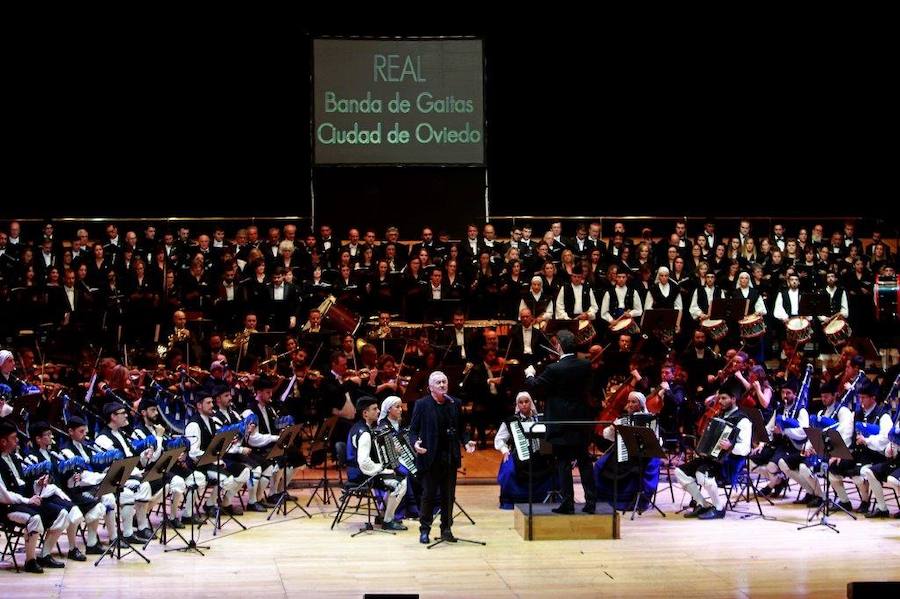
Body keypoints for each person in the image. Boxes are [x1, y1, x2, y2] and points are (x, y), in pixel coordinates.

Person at [524, 329, 598, 514]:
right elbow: (589, 389)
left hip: (560, 421)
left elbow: (536, 387)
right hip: (581, 420)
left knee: (563, 462)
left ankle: (568, 503)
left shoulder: (554, 368)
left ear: (559, 346)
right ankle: (591, 502)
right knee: (584, 460)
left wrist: (530, 374)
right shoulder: (586, 365)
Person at [408, 371, 476, 544]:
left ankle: (446, 529)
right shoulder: (422, 404)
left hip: (449, 457)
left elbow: (462, 429)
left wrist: (467, 442)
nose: (442, 385)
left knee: (448, 495)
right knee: (428, 495)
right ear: (431, 387)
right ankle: (424, 530)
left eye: (444, 382)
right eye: (438, 383)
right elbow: (413, 430)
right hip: (430, 456)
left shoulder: (455, 403)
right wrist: (415, 444)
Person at [675, 389, 751, 519]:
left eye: (724, 398)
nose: (720, 401)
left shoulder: (742, 420)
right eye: (719, 398)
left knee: (702, 473)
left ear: (733, 399)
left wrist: (730, 447)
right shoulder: (720, 416)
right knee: (680, 472)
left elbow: (745, 449)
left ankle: (719, 508)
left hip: (730, 461)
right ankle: (702, 504)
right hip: (713, 459)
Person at [346, 396, 409, 531]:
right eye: (374, 409)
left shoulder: (357, 427)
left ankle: (383, 514)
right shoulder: (365, 434)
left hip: (355, 471)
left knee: (397, 477)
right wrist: (381, 469)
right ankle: (387, 520)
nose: (379, 411)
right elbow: (364, 462)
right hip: (361, 475)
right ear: (365, 413)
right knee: (401, 483)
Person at [593, 391, 661, 510]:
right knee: (599, 465)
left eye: (633, 402)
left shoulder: (650, 419)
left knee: (634, 468)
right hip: (623, 452)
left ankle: (631, 500)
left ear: (640, 405)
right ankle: (605, 499)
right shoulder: (622, 419)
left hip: (643, 455)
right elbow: (607, 436)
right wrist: (613, 427)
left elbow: (657, 442)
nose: (629, 404)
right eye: (628, 401)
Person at [494, 391, 555, 509]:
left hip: (540, 454)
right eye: (520, 402)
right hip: (519, 454)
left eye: (526, 402)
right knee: (508, 471)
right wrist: (504, 450)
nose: (524, 405)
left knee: (555, 466)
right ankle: (510, 500)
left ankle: (549, 497)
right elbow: (499, 439)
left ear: (530, 403)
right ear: (517, 405)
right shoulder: (511, 421)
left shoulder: (541, 418)